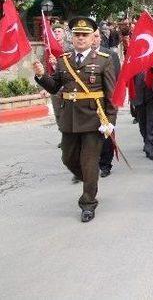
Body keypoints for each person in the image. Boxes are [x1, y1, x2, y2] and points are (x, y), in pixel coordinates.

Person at [33, 16, 117, 222]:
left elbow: (111, 95)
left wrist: (110, 122)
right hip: (69, 119)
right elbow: (54, 87)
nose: (80, 38)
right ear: (72, 37)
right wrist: (42, 75)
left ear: (92, 38)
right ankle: (90, 180)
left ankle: (88, 203)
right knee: (68, 159)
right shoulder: (64, 60)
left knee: (89, 163)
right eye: (77, 35)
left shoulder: (103, 61)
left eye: (84, 35)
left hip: (93, 120)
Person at [91, 29, 121, 178]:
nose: (94, 39)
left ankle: (105, 164)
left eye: (96, 36)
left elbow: (116, 79)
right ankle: (86, 165)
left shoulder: (111, 55)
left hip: (106, 102)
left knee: (106, 134)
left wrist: (114, 103)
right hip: (86, 104)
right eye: (92, 36)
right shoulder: (76, 56)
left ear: (100, 39)